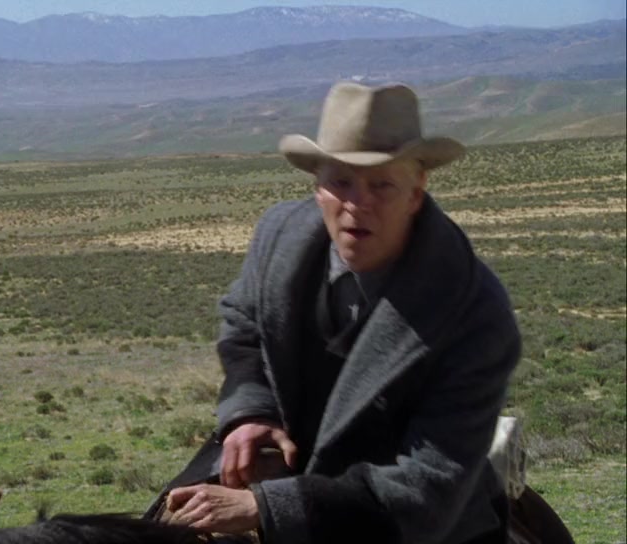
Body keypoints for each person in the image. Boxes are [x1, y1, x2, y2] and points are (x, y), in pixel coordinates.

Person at [148, 82, 523, 543]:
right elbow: (244, 324)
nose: (356, 205)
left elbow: (427, 487)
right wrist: (250, 412)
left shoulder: (475, 313)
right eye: (340, 182)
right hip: (290, 468)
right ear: (317, 187)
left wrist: (265, 508)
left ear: (416, 191)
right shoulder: (278, 238)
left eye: (381, 184)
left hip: (401, 520)